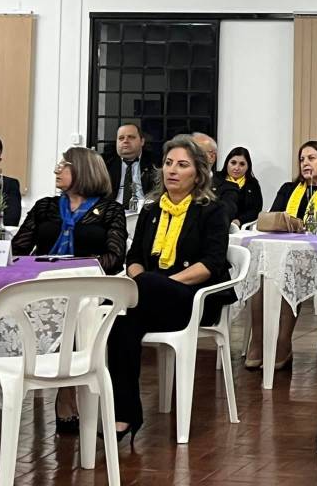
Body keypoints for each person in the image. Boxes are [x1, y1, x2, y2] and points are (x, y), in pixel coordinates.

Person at [107, 134, 234, 442]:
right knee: (119, 325)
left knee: (133, 294)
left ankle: (125, 415)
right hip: (150, 300)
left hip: (192, 298)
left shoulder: (211, 210)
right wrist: (144, 282)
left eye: (182, 165)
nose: (172, 170)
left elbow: (211, 264)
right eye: (168, 163)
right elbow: (134, 258)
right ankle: (125, 414)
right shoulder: (151, 210)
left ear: (198, 174)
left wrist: (159, 284)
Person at [11, 146, 127, 433]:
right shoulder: (45, 206)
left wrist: (72, 270)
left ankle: (66, 391)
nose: (56, 170)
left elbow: (114, 258)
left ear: (83, 170)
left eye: (64, 165)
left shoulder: (110, 210)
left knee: (77, 305)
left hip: (88, 288)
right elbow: (19, 249)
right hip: (42, 286)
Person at [249, 141, 317, 370]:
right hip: (285, 251)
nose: (305, 163)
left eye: (311, 158)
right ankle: (257, 340)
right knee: (261, 273)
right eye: (302, 159)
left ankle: (283, 342)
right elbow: (273, 218)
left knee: (290, 269)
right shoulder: (289, 189)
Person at [104, 122, 158, 211]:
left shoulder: (155, 163)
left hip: (145, 211)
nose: (125, 141)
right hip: (112, 212)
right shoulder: (105, 163)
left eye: (131, 137)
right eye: (121, 138)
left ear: (142, 141)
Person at [191, 133, 240, 220]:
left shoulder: (228, 188)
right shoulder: (175, 182)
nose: (189, 158)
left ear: (212, 156)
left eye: (196, 153)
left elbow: (223, 216)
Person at [216, 146, 263, 225]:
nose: (237, 168)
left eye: (242, 164)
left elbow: (256, 210)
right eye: (233, 163)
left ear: (248, 166)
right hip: (216, 222)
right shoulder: (216, 178)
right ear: (227, 163)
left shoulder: (252, 184)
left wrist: (239, 220)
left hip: (240, 226)